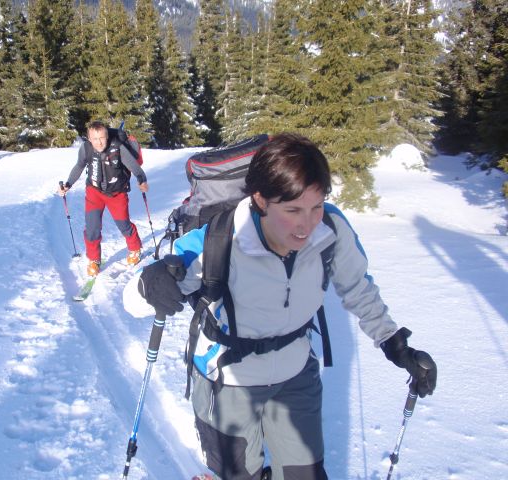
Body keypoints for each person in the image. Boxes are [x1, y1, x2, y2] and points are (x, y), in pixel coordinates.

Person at [137, 133, 437, 480]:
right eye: (293, 210)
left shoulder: (330, 230)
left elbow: (357, 288)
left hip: (295, 372)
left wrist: (394, 344)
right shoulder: (219, 239)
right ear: (260, 200)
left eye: (316, 206)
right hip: (227, 378)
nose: (306, 224)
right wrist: (151, 283)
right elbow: (140, 294)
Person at [59, 121, 149, 276]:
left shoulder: (117, 147)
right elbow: (79, 166)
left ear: (107, 136)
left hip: (117, 193)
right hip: (94, 192)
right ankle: (94, 259)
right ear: (89, 138)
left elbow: (135, 167)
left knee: (124, 224)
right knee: (92, 227)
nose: (99, 142)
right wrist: (68, 184)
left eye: (101, 138)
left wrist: (142, 180)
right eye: (95, 138)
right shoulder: (86, 148)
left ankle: (135, 248)